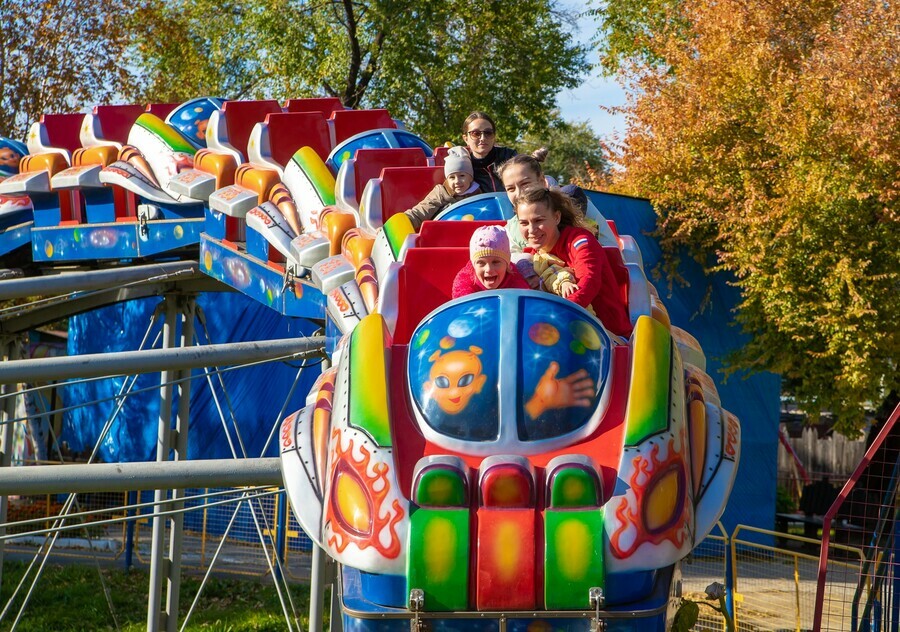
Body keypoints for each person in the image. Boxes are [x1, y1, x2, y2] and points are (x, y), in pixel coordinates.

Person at [514, 187, 632, 337]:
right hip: (558, 335)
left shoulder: (581, 242)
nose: (531, 229)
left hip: (606, 336)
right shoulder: (532, 255)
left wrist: (553, 319)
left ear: (557, 217)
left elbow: (588, 283)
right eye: (524, 223)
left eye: (538, 220)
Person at [403, 146, 480, 230]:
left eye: (462, 176)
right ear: (447, 179)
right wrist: (407, 220)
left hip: (469, 231)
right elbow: (424, 209)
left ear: (471, 178)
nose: (457, 181)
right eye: (452, 177)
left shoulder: (477, 194)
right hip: (442, 231)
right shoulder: (441, 193)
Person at [451, 225, 530, 298]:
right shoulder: (465, 282)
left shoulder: (514, 278)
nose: (489, 269)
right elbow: (463, 309)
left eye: (495, 262)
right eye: (481, 263)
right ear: (474, 265)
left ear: (507, 264)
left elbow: (526, 302)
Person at [461, 112, 516, 193]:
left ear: (494, 136)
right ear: (466, 139)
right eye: (475, 133)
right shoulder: (462, 166)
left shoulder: (509, 156)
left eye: (488, 133)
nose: (483, 138)